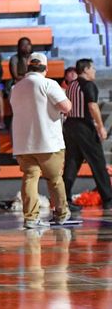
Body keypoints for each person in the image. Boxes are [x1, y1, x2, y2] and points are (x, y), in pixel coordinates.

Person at [9, 53, 72, 229]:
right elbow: (66, 107)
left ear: (28, 67)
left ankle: (30, 217)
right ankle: (61, 214)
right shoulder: (48, 83)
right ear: (45, 68)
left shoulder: (16, 88)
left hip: (23, 143)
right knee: (54, 179)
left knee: (29, 178)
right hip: (48, 142)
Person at [63, 59, 112, 211]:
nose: (95, 71)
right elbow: (92, 106)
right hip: (84, 127)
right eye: (93, 68)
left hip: (70, 127)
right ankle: (108, 198)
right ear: (85, 70)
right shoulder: (88, 85)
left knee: (72, 162)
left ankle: (63, 198)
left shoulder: (71, 85)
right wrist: (101, 127)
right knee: (97, 162)